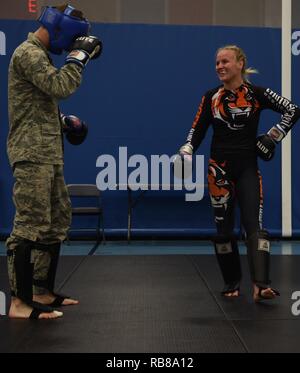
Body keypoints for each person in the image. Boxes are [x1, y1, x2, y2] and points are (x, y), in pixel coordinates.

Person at [177, 45, 300, 301]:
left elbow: (293, 109)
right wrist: (187, 149)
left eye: (225, 61)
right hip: (217, 171)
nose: (220, 66)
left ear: (240, 64)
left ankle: (261, 284)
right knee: (223, 231)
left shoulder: (257, 93)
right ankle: (231, 282)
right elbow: (197, 129)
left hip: (247, 169)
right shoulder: (210, 97)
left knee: (254, 226)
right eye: (217, 63)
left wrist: (272, 136)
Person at [6, 4, 102, 319]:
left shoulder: (41, 56)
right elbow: (61, 85)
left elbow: (37, 101)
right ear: (59, 27)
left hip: (48, 151)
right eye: (73, 39)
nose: (70, 47)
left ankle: (41, 291)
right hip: (31, 154)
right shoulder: (28, 53)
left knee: (56, 221)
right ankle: (19, 302)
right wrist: (79, 57)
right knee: (30, 225)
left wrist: (63, 121)